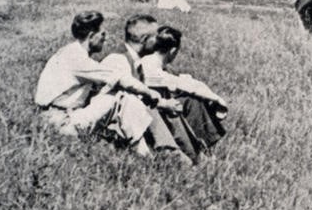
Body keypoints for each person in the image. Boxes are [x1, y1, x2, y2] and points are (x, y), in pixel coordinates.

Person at [33, 11, 166, 157]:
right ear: (91, 36)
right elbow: (120, 78)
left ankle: (140, 150)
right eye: (102, 34)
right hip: (60, 122)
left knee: (119, 97)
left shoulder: (71, 52)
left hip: (58, 117)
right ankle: (145, 155)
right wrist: (149, 92)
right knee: (123, 97)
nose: (106, 38)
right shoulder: (76, 58)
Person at [101, 14, 193, 161]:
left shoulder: (137, 62)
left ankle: (191, 153)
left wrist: (165, 104)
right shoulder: (117, 59)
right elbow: (126, 100)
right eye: (156, 37)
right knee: (151, 106)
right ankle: (171, 154)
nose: (159, 42)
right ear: (144, 40)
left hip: (131, 120)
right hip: (111, 123)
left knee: (169, 106)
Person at [142, 23, 228, 160]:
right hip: (150, 113)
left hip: (155, 107)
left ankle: (203, 147)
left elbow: (179, 82)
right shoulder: (149, 66)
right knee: (191, 98)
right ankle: (198, 151)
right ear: (173, 50)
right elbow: (182, 84)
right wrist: (217, 99)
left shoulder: (153, 62)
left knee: (192, 100)